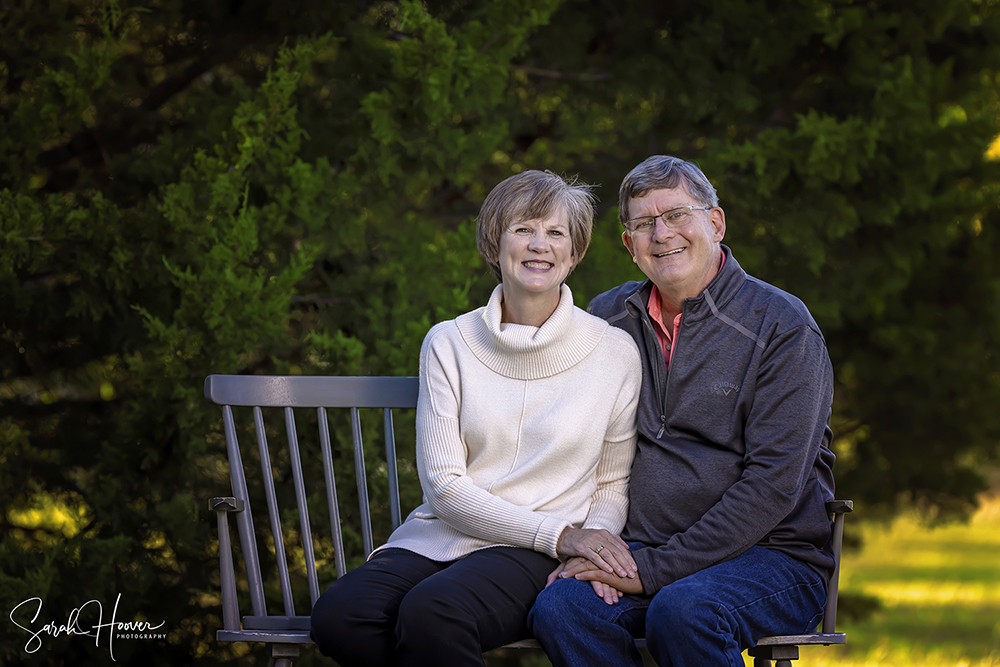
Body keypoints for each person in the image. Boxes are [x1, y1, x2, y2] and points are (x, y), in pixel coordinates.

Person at [309, 169, 643, 666]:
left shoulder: (614, 351)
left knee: (434, 614)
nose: (540, 245)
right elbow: (445, 487)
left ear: (573, 255)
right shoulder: (449, 343)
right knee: (340, 618)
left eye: (556, 234)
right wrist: (562, 536)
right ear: (495, 243)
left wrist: (583, 550)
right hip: (446, 535)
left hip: (536, 553)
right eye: (523, 229)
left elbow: (612, 482)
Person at [528, 155, 837, 667]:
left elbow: (773, 485)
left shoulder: (782, 327)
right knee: (562, 609)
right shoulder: (606, 319)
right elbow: (557, 428)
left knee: (684, 610)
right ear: (629, 246)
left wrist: (652, 572)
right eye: (644, 224)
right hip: (640, 549)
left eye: (676, 215)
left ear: (714, 223)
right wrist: (589, 546)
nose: (661, 233)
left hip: (773, 559)